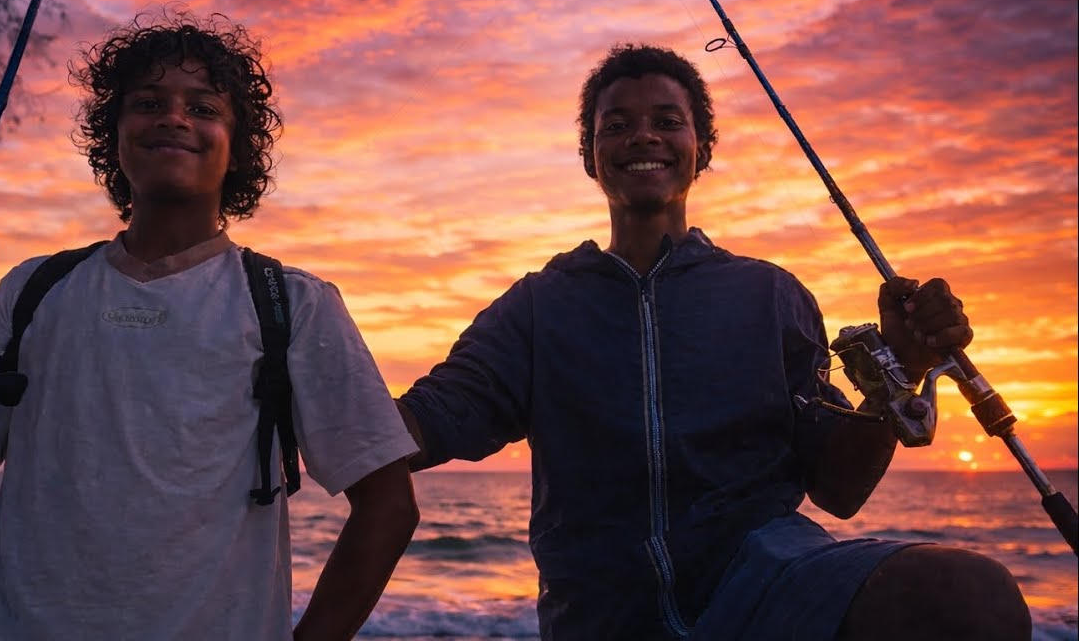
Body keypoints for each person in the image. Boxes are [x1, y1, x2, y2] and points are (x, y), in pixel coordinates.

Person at [395, 44, 1031, 640]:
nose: (642, 135)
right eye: (615, 125)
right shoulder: (535, 307)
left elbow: (840, 489)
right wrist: (304, 378)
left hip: (769, 586)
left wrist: (903, 368)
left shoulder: (771, 295)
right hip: (602, 614)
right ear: (590, 156)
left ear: (702, 148)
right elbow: (423, 424)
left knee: (969, 592)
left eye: (667, 121)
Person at [0, 11, 420, 640]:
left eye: (204, 108)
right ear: (112, 134)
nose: (174, 117)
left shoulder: (292, 304)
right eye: (148, 103)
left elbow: (388, 506)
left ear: (238, 149)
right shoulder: (36, 288)